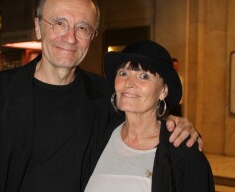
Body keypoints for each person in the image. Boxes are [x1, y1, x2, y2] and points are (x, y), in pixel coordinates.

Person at [0, 0, 201, 192]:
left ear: (92, 36)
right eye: (59, 23)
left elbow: (141, 114)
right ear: (38, 27)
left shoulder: (103, 95)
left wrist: (175, 123)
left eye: (83, 28)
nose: (70, 37)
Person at [85, 40, 214, 192]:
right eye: (123, 73)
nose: (129, 83)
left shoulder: (182, 151)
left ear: (163, 91)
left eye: (144, 76)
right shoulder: (97, 135)